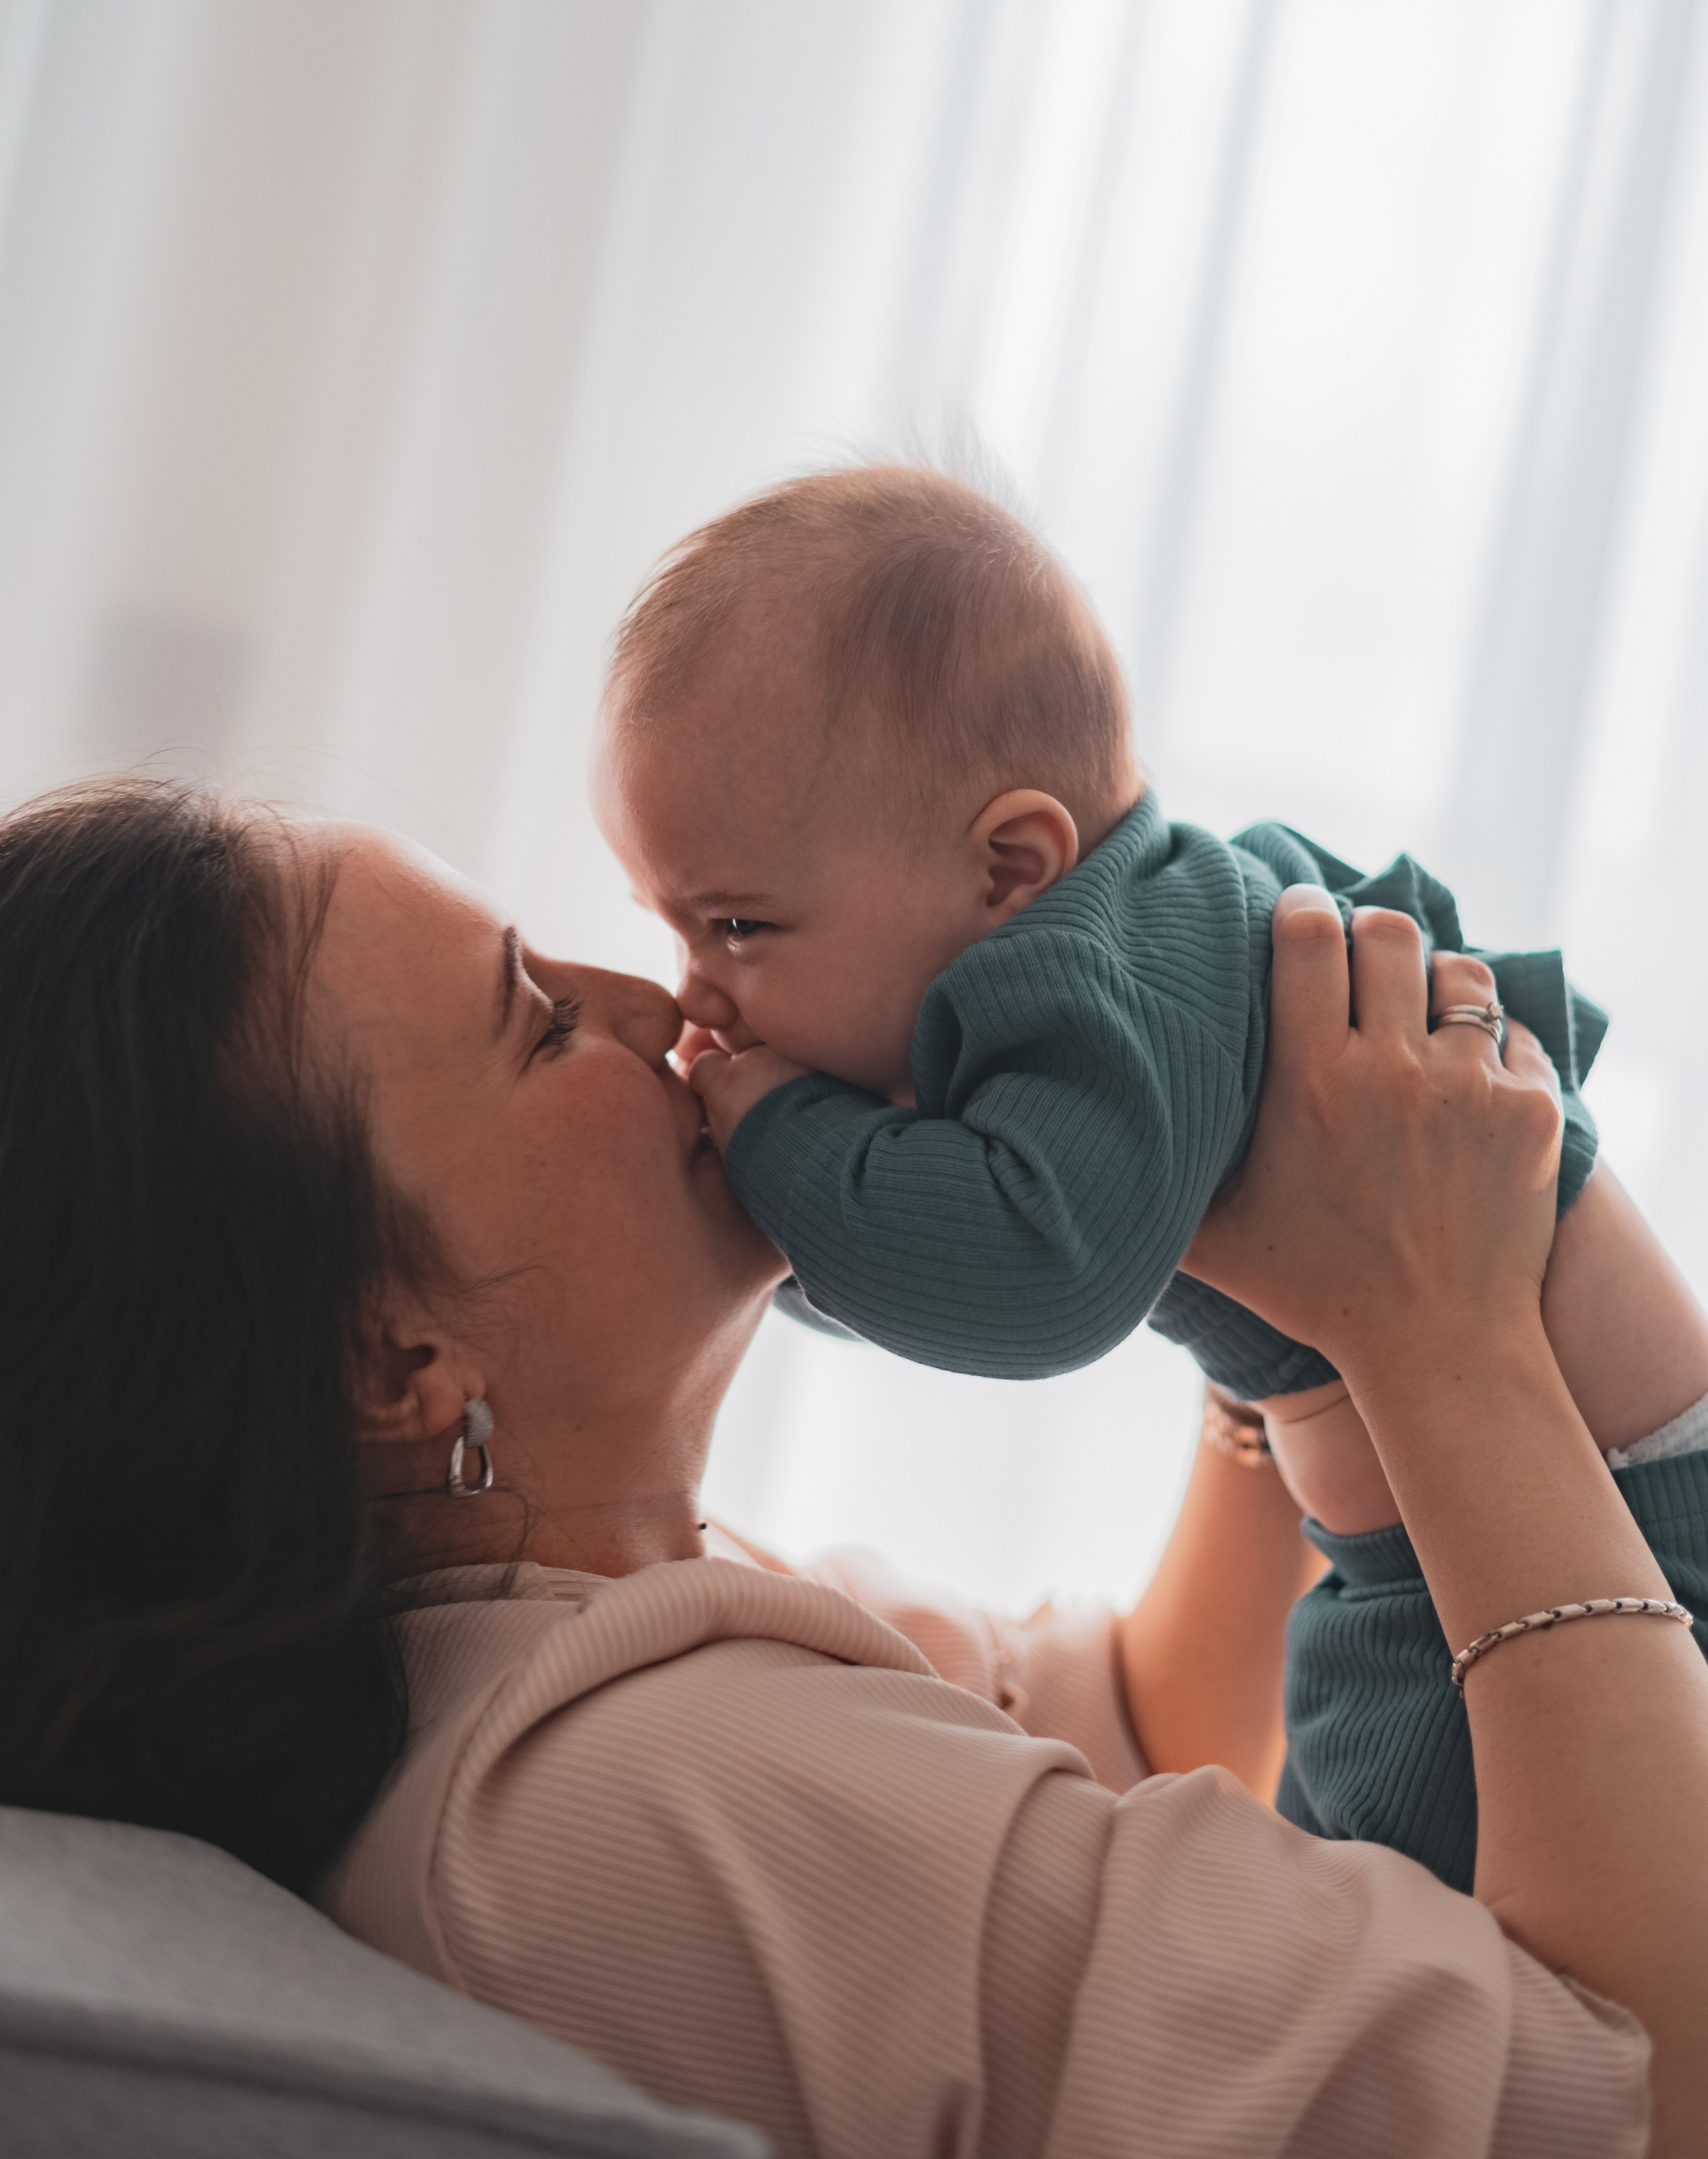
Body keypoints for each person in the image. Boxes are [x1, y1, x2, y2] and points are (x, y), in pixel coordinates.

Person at [4, 777, 1705, 2154]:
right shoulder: (643, 1789)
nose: (654, 1001)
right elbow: (1626, 2091)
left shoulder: (575, 1646)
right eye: (534, 1019)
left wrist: (1254, 1288)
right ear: (391, 1359)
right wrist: (1437, 1329)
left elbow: (1136, 1724)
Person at [590, 462, 1708, 1885]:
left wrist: (761, 1133)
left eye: (736, 924)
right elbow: (902, 1253)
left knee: (1433, 1951)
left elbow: (1030, 1279)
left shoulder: (1112, 975)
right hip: (1445, 1545)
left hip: (1603, 1543)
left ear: (1010, 863)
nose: (697, 991)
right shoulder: (1097, 945)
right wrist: (759, 1193)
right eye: (672, 923)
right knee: (1373, 1909)